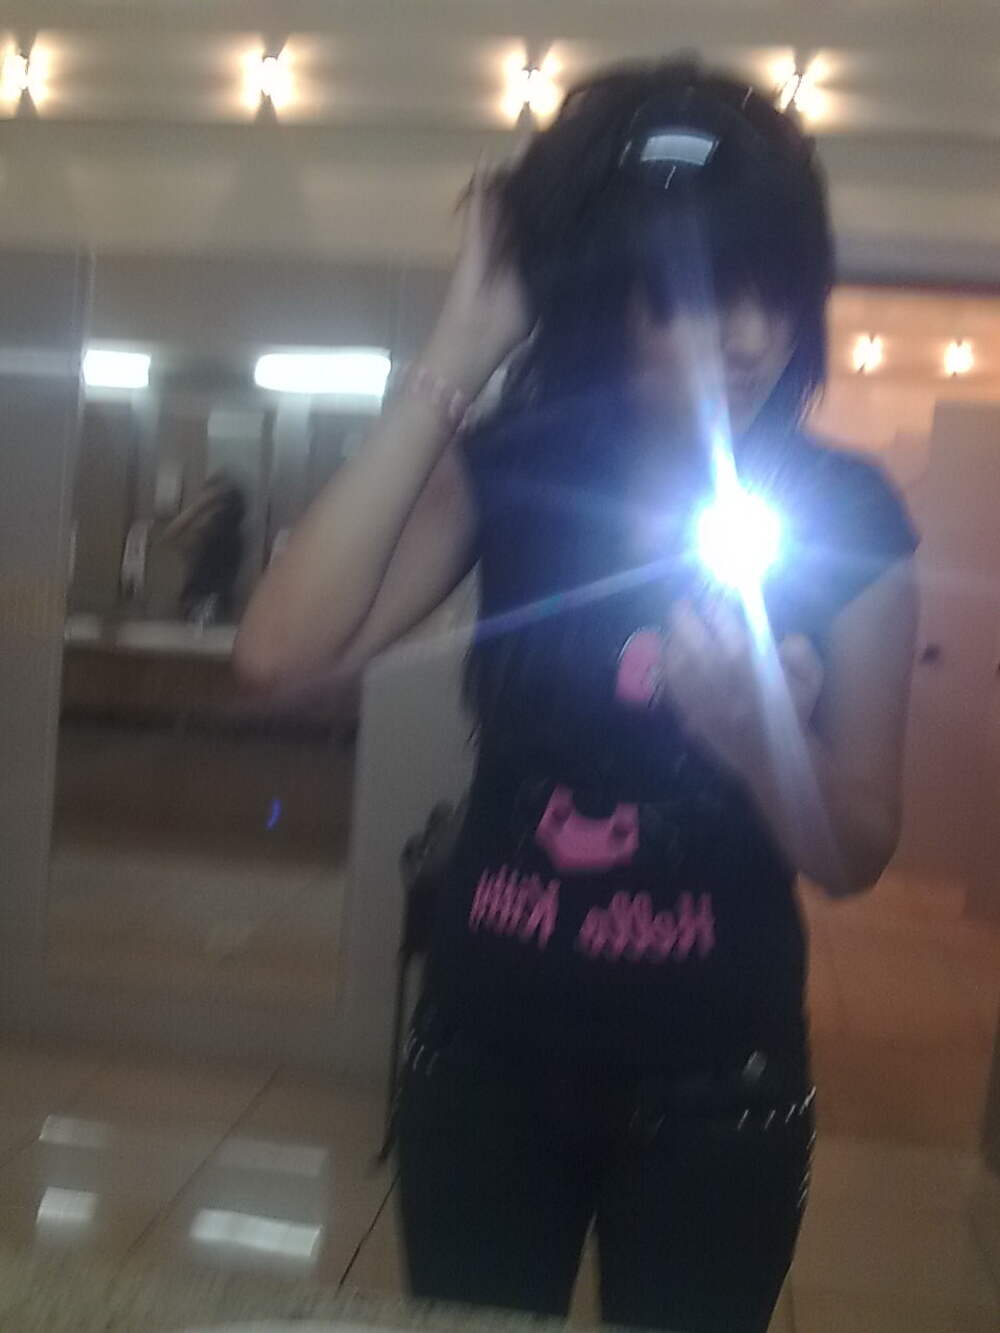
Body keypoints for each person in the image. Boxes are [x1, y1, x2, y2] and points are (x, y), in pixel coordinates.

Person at [236, 59, 918, 1333]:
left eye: (772, 290)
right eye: (695, 300)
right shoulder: (515, 470)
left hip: (719, 1085)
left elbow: (853, 854)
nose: (752, 337)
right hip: (484, 1060)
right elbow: (278, 655)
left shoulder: (850, 514)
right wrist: (459, 348)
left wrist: (752, 735)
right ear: (606, 305)